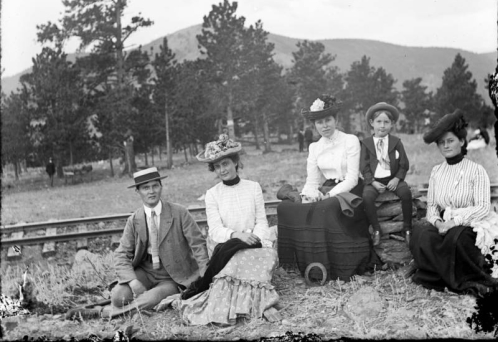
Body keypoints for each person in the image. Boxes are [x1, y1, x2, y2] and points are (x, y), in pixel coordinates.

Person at [156, 134, 279, 325]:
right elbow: (215, 230)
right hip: (226, 247)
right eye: (217, 166)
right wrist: (237, 236)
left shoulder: (253, 188)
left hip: (255, 243)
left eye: (226, 163)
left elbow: (261, 221)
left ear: (235, 162)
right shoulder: (213, 195)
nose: (222, 170)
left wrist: (256, 239)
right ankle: (242, 306)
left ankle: (259, 303)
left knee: (266, 256)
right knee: (232, 269)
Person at [66, 167, 209, 319]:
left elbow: (198, 245)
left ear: (161, 187)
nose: (151, 191)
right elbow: (121, 254)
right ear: (138, 191)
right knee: (118, 296)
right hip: (146, 271)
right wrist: (133, 281)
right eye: (145, 188)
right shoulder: (134, 220)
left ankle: (103, 312)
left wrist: (205, 276)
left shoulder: (180, 213)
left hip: (172, 276)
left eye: (155, 186)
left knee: (150, 299)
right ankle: (124, 305)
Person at [277, 95, 380, 281]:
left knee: (326, 208)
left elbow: (351, 178)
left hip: (351, 190)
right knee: (293, 208)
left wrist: (328, 195)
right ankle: (311, 263)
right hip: (328, 188)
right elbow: (312, 180)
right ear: (314, 125)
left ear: (336, 120)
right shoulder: (314, 147)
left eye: (327, 120)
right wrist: (311, 194)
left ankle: (339, 265)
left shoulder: (350, 140)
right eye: (319, 122)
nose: (324, 126)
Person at [410, 110, 498, 295]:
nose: (445, 146)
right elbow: (432, 206)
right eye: (441, 143)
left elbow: (482, 207)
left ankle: (460, 279)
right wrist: (439, 222)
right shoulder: (437, 171)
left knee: (456, 238)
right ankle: (436, 275)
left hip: (472, 222)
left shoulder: (476, 170)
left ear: (462, 141)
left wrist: (453, 223)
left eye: (450, 141)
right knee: (420, 231)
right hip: (445, 222)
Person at [360, 102, 412, 246]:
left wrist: (396, 179)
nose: (382, 126)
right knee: (367, 197)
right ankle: (376, 229)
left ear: (392, 124)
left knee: (406, 193)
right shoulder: (366, 143)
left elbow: (404, 163)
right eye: (379, 122)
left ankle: (407, 228)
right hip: (375, 180)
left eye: (386, 122)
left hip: (394, 178)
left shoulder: (396, 142)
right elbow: (364, 166)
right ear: (372, 123)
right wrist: (372, 182)